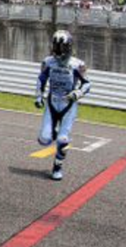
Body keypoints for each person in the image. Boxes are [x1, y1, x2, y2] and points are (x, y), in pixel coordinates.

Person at [35, 29, 91, 181]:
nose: (58, 50)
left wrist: (76, 94)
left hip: (68, 105)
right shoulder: (48, 62)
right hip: (52, 103)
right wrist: (39, 97)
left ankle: (57, 166)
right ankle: (52, 132)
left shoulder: (77, 65)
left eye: (61, 47)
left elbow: (87, 85)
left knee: (63, 140)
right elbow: (41, 80)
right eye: (56, 46)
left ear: (68, 47)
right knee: (44, 139)